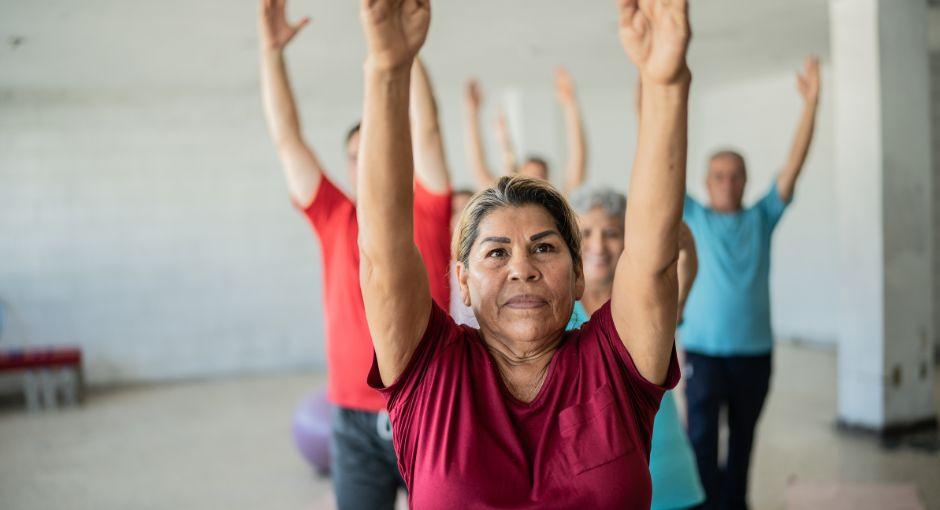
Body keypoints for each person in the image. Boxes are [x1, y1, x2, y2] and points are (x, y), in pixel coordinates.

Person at [355, 0, 691, 506]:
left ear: (579, 276)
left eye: (545, 247)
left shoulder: (614, 365)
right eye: (495, 253)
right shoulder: (431, 372)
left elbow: (655, 260)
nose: (522, 268)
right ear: (462, 281)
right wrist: (386, 69)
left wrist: (665, 85)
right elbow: (382, 259)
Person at [258, 1, 452, 507]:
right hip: (351, 418)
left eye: (380, 148)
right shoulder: (333, 215)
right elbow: (287, 140)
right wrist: (271, 53)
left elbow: (427, 132)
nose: (370, 162)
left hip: (427, 407)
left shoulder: (428, 205)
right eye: (357, 154)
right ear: (348, 167)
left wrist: (403, 52)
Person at [680, 56, 821, 510]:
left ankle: (734, 505)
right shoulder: (693, 215)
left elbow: (792, 168)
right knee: (700, 441)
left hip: (754, 355)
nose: (728, 182)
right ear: (707, 181)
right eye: (719, 175)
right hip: (703, 352)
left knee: (742, 444)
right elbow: (661, 158)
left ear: (745, 180)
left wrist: (811, 104)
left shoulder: (762, 216)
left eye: (736, 174)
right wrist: (656, 93)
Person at [570, 187, 704, 509]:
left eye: (612, 232)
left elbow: (680, 284)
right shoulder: (554, 311)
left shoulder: (645, 304)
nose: (598, 245)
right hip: (595, 490)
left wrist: (683, 252)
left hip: (668, 479)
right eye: (586, 233)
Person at [463, 68, 587, 194]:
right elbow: (479, 168)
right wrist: (472, 112)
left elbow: (577, 165)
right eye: (530, 175)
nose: (535, 180)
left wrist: (570, 104)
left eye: (540, 175)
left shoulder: (557, 207)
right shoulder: (504, 202)